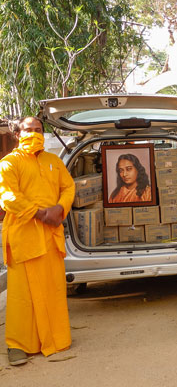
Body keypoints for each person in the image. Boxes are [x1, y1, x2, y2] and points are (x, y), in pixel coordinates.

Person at [0, 116, 75, 366]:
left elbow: (68, 187)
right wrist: (39, 212)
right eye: (28, 130)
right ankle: (18, 345)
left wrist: (60, 208)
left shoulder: (54, 161)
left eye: (38, 130)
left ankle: (56, 338)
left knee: (52, 289)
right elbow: (7, 196)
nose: (34, 133)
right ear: (17, 134)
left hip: (51, 233)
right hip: (24, 234)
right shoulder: (9, 162)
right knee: (23, 295)